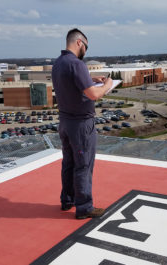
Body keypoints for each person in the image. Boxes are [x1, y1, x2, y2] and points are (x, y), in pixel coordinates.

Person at [52, 28, 113, 219]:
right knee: (83, 165)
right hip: (80, 125)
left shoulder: (58, 63)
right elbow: (94, 95)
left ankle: (67, 200)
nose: (86, 50)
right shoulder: (76, 64)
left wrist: (90, 79)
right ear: (79, 43)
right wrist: (107, 85)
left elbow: (71, 85)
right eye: (86, 46)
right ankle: (84, 207)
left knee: (69, 163)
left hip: (65, 122)